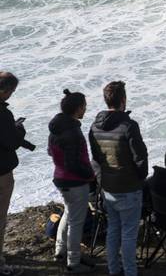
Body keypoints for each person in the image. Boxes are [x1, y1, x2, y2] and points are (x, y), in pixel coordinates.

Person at [88, 81, 149, 276]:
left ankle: (114, 270)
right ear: (123, 100)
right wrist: (140, 178)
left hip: (108, 187)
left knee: (114, 230)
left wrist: (101, 181)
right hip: (129, 187)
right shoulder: (128, 126)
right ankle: (130, 272)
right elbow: (140, 157)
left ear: (106, 100)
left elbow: (95, 160)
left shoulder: (94, 127)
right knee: (129, 234)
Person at [49, 89, 94, 273]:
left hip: (60, 178)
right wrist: (89, 175)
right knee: (77, 222)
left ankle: (60, 250)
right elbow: (73, 163)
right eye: (84, 106)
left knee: (68, 213)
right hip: (74, 182)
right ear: (78, 108)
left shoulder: (56, 128)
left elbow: (51, 152)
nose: (85, 109)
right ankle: (73, 263)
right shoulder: (73, 132)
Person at [1, 72, 34, 276]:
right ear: (4, 90)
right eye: (12, 91)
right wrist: (19, 130)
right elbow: (11, 142)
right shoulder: (3, 114)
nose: (11, 95)